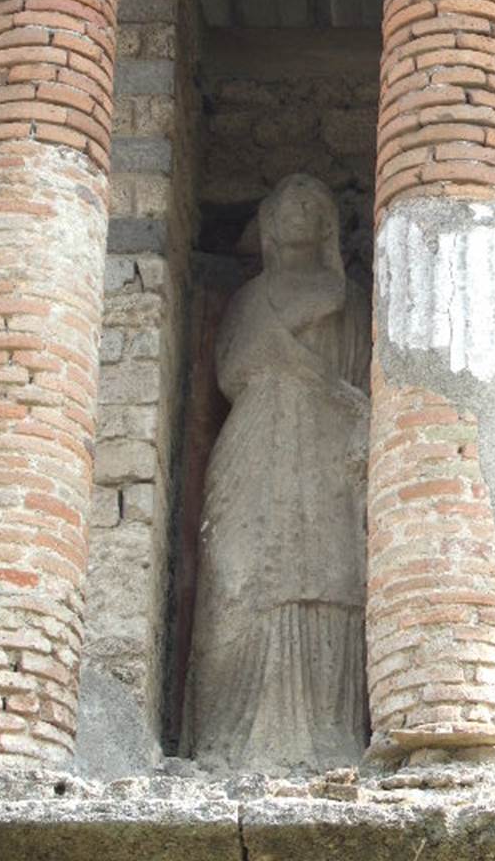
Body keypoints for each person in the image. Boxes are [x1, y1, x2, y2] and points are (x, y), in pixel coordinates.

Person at [181, 173, 370, 772]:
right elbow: (232, 370)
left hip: (327, 443)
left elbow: (363, 378)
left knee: (329, 576)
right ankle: (224, 739)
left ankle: (328, 733)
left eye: (313, 203)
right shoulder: (250, 298)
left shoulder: (352, 301)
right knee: (237, 576)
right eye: (288, 202)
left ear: (328, 224)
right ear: (267, 221)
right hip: (256, 440)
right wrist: (304, 317)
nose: (299, 211)